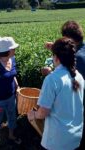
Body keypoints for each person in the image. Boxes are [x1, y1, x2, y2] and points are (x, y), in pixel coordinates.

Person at [27, 37, 84, 150]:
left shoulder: (52, 79)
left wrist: (33, 115)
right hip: (76, 136)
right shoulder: (78, 76)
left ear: (56, 58)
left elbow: (43, 112)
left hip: (57, 140)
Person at [44, 20, 85, 149]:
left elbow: (67, 79)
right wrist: (57, 48)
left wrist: (51, 72)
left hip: (66, 125)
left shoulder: (77, 58)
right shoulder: (82, 51)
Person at [0, 37, 21, 144]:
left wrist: (17, 87)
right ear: (7, 51)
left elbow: (12, 75)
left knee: (12, 116)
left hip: (11, 96)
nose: (15, 51)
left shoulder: (12, 59)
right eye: (13, 49)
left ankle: (11, 135)